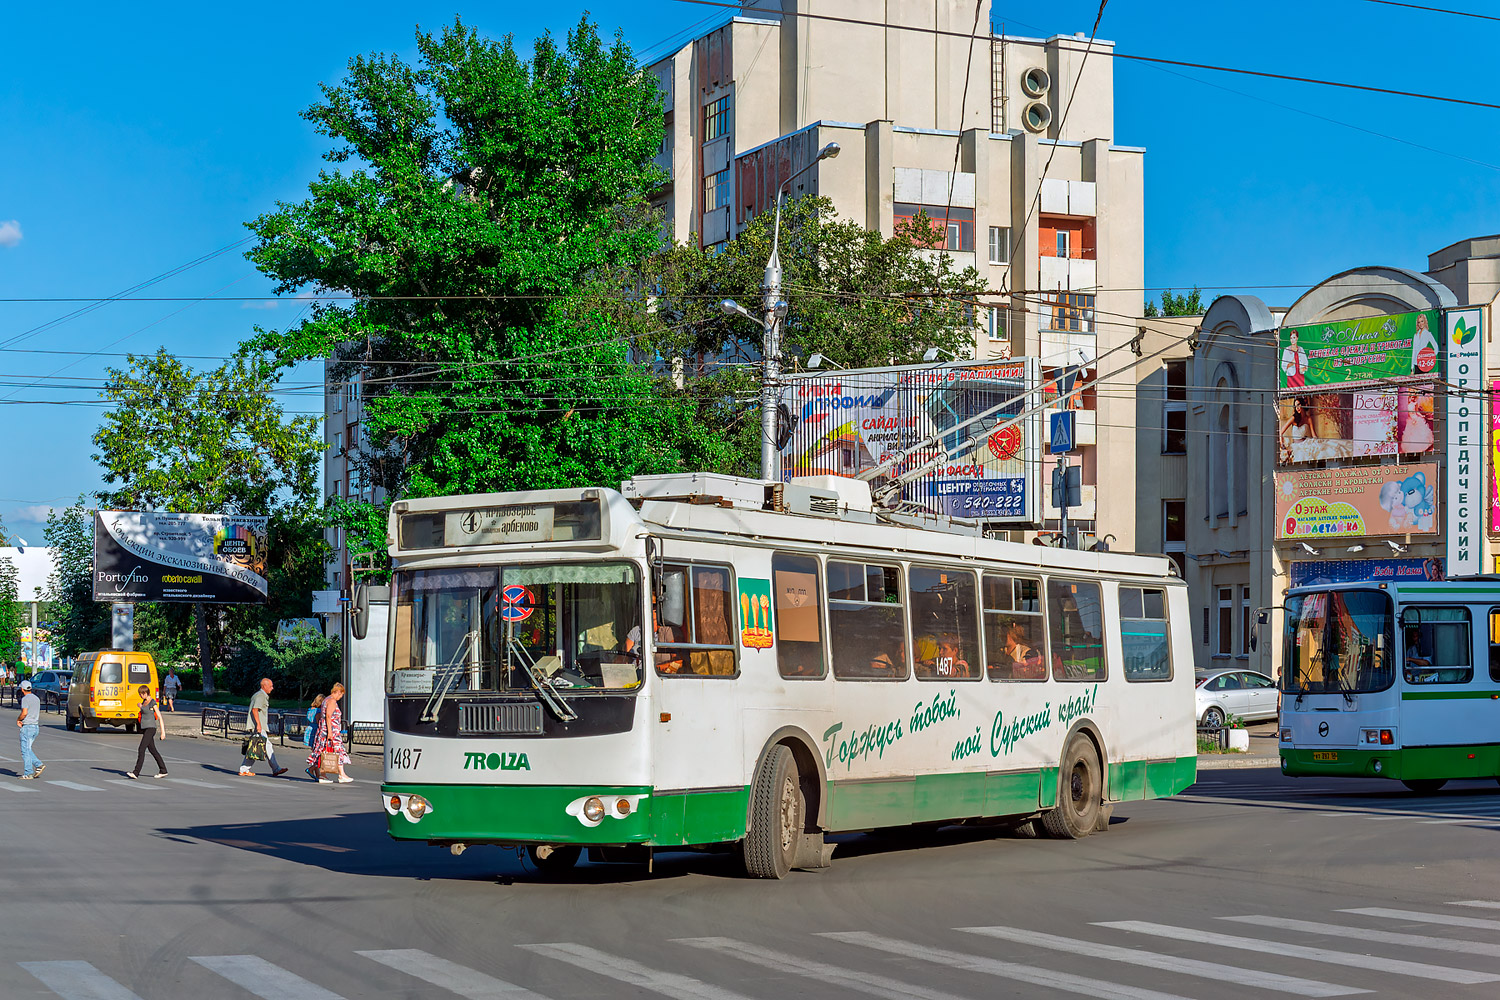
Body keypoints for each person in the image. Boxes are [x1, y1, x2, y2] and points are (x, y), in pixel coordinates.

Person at [239, 677, 288, 778]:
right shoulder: (261, 696)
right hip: (258, 727)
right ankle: (275, 769)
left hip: (258, 726)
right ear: (264, 686)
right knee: (261, 746)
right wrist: (259, 724)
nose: (272, 688)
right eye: (270, 686)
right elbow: (255, 710)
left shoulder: (259, 695)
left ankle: (245, 769)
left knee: (256, 747)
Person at [307, 682, 352, 783]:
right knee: (338, 751)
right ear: (338, 692)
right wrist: (330, 733)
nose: (341, 697)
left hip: (324, 730)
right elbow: (328, 716)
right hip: (330, 731)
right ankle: (342, 775)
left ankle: (323, 775)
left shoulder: (326, 700)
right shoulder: (331, 701)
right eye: (341, 694)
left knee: (324, 752)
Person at [126, 685, 167, 779]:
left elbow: (160, 717)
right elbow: (144, 711)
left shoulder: (153, 702)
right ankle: (163, 770)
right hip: (145, 728)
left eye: (141, 694)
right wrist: (140, 706)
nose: (140, 696)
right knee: (153, 750)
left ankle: (136, 772)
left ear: (145, 693)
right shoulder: (144, 702)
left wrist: (163, 732)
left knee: (141, 749)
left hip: (151, 728)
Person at [16, 679, 43, 780]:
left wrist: (18, 720)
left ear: (22, 689)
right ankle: (38, 765)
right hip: (35, 727)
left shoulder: (25, 699)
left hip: (27, 727)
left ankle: (29, 772)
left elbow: (24, 713)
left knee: (25, 751)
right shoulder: (36, 698)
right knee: (28, 749)